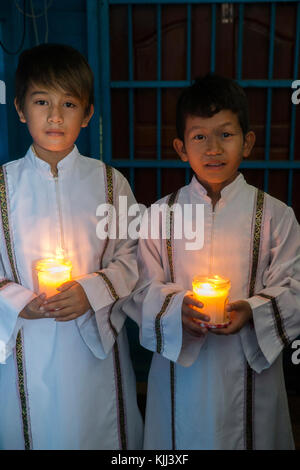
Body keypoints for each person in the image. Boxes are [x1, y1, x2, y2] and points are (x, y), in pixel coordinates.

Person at [124, 74, 300, 450]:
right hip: (181, 374)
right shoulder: (159, 216)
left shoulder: (275, 216)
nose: (213, 148)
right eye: (199, 136)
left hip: (251, 373)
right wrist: (176, 310)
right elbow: (138, 288)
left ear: (247, 142)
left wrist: (252, 311)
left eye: (226, 134)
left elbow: (294, 286)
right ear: (181, 147)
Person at [0, 43, 143, 450]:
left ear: (88, 114)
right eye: (42, 101)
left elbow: (132, 258)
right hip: (26, 341)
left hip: (92, 348)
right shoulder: (3, 187)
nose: (55, 116)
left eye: (69, 103)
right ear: (21, 108)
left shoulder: (112, 185)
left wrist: (91, 290)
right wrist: (15, 299)